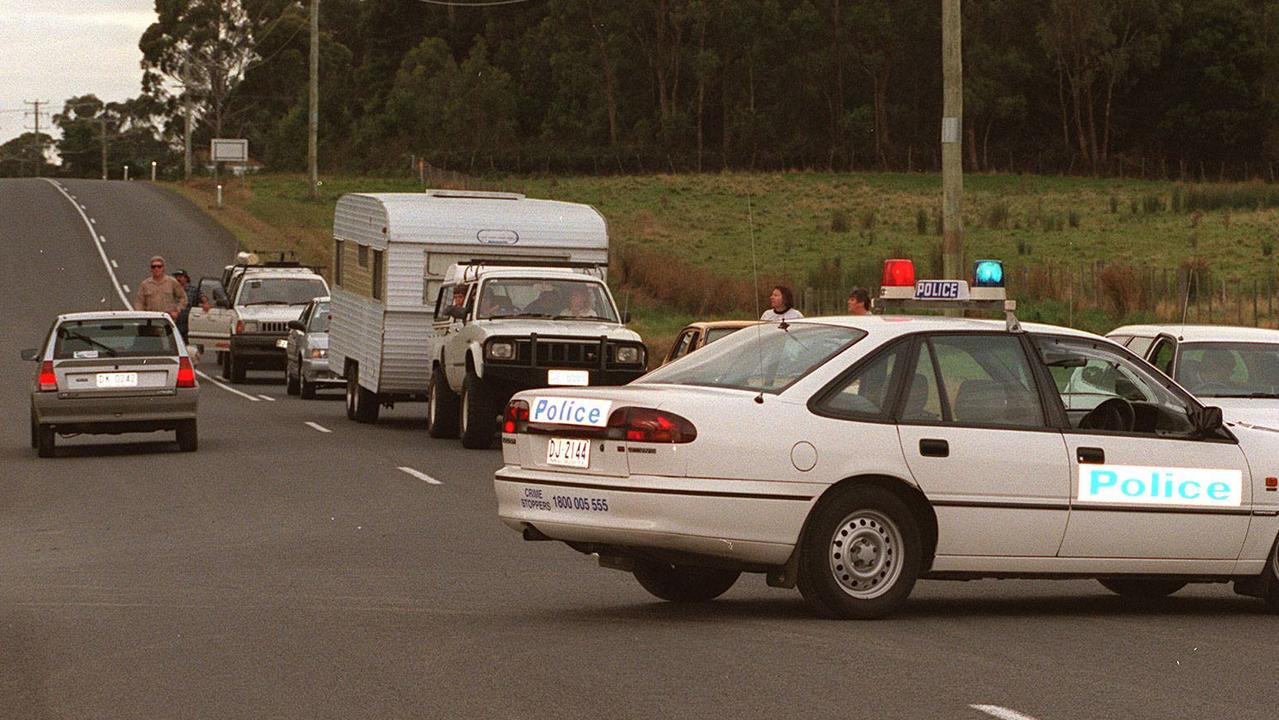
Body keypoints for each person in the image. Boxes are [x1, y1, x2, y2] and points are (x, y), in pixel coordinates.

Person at [134, 255, 186, 320]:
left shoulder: (172, 282)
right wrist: (140, 315)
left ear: (163, 268)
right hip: (150, 319)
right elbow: (139, 302)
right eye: (153, 267)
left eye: (159, 266)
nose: (156, 269)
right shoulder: (145, 284)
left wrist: (177, 311)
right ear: (151, 269)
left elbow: (183, 298)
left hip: (166, 319)